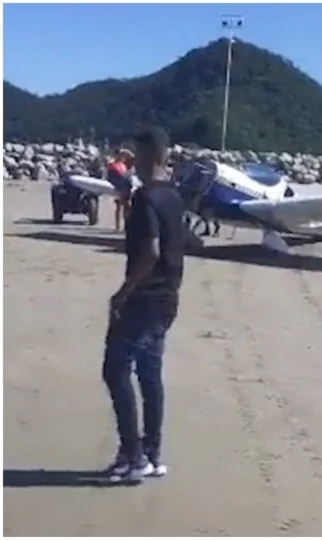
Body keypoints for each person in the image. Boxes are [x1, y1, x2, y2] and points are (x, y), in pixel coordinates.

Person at [102, 126, 185, 482]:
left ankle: (133, 456)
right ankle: (151, 454)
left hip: (144, 298)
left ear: (147, 154)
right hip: (168, 298)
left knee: (115, 370)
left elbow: (150, 251)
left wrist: (123, 292)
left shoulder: (146, 199)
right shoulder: (174, 197)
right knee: (150, 375)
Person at [106, 148, 136, 231]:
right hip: (119, 187)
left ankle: (126, 226)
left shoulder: (125, 164)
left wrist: (126, 150)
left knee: (126, 207)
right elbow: (110, 175)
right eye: (119, 155)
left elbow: (133, 157)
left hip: (125, 187)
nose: (121, 156)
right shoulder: (112, 164)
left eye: (121, 155)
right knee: (119, 207)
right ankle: (117, 226)